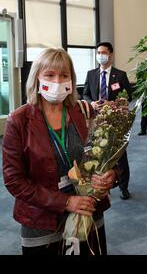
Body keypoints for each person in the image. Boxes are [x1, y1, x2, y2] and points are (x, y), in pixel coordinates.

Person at [2, 48, 117, 255]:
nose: (57, 81)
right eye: (50, 75)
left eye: (64, 75)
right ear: (37, 78)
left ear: (71, 80)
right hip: (43, 221)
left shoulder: (82, 112)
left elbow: (106, 155)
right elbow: (14, 181)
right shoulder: (19, 120)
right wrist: (65, 202)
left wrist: (111, 175)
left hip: (88, 211)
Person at [82, 42, 133, 200]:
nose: (100, 55)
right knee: (98, 152)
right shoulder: (91, 74)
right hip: (96, 120)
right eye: (98, 52)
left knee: (119, 154)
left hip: (114, 120)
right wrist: (91, 103)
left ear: (110, 54)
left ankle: (123, 186)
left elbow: (128, 96)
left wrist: (114, 104)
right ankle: (101, 183)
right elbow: (85, 93)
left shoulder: (120, 75)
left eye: (103, 52)